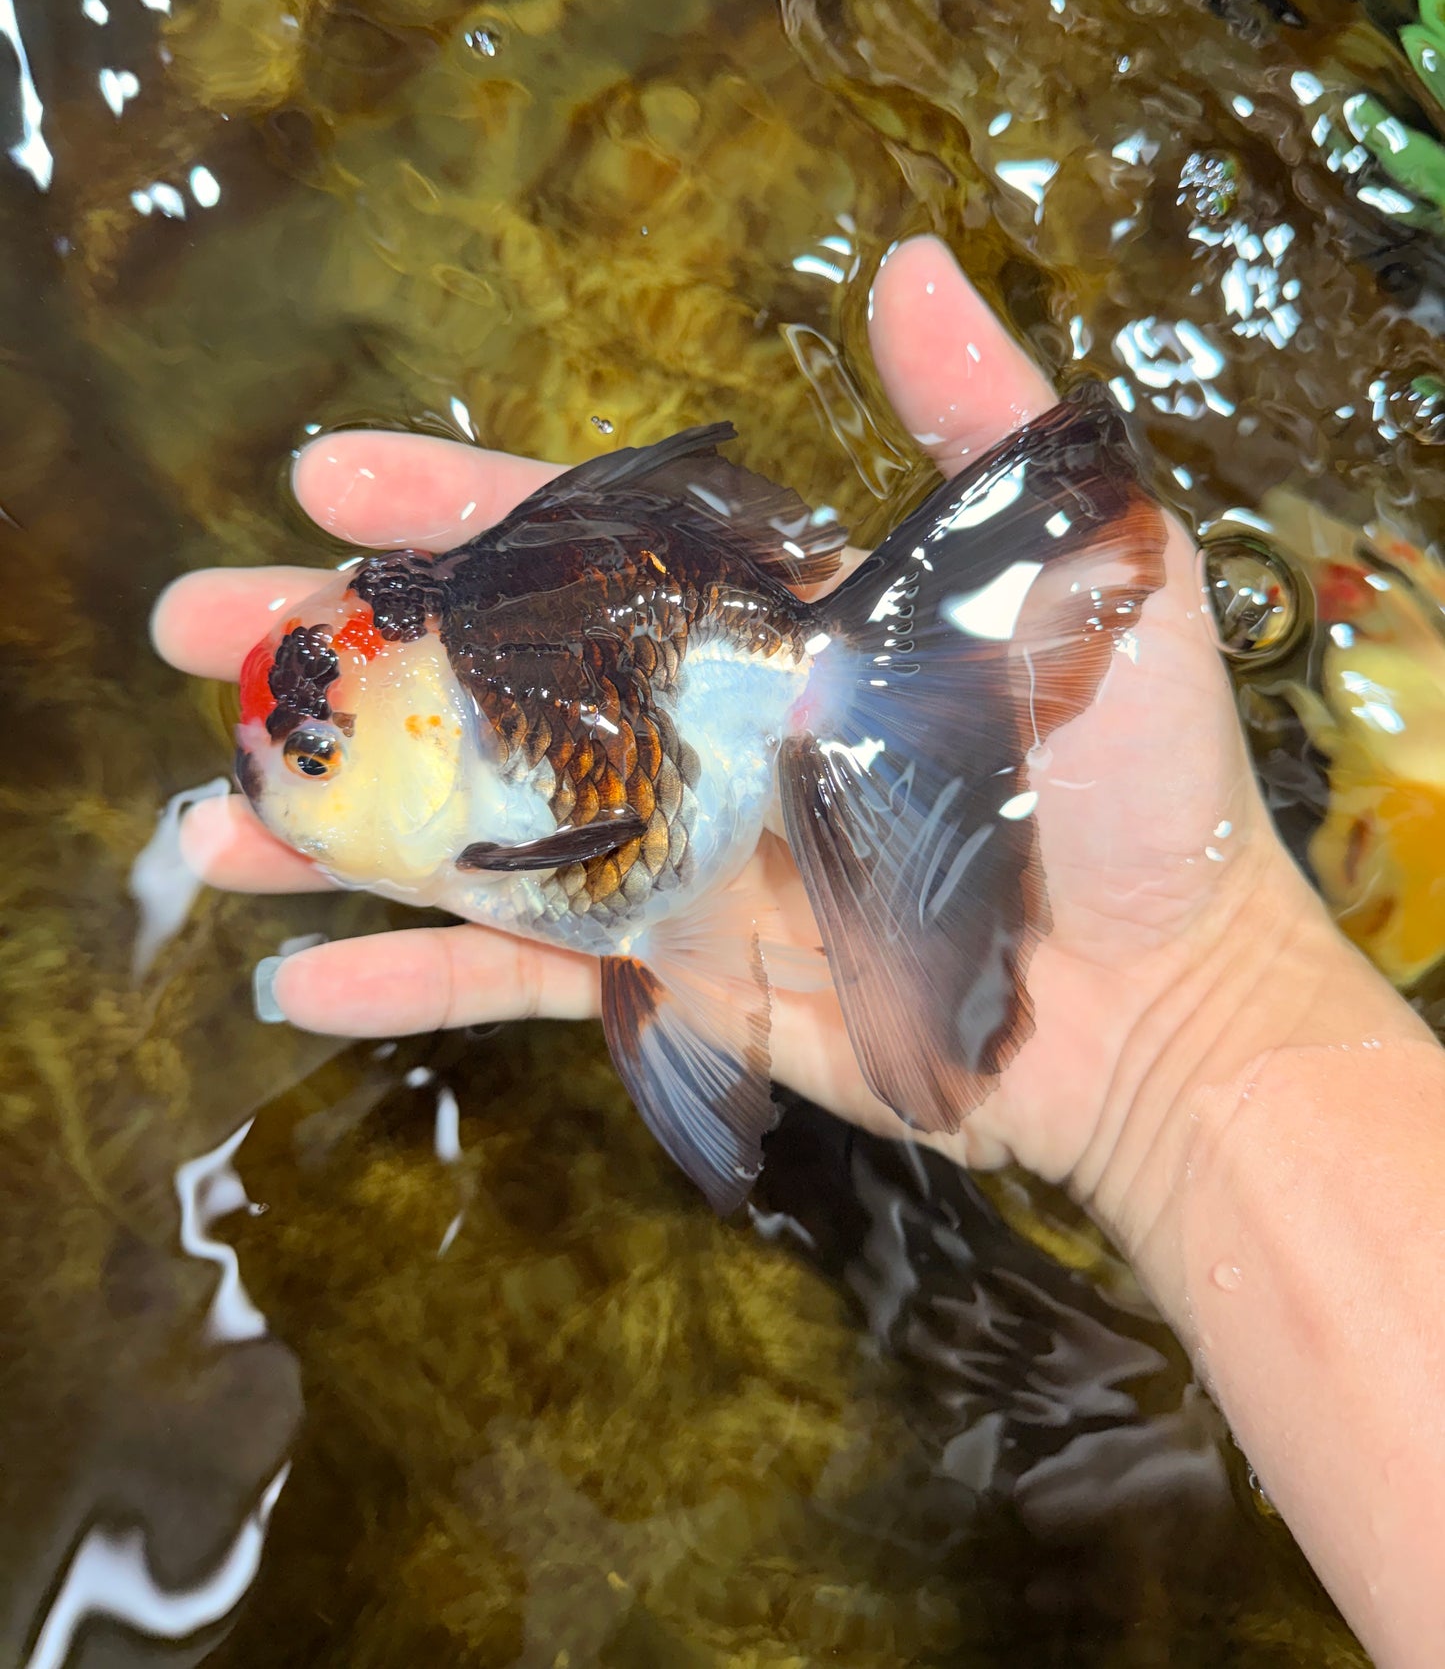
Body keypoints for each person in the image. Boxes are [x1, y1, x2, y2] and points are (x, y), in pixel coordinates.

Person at [152, 236, 1445, 1668]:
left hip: (722, 702)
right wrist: (1190, 1051)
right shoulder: (469, 755)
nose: (289, 766)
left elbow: (631, 878)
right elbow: (645, 911)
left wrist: (1193, 1026)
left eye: (316, 748)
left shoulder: (525, 778)